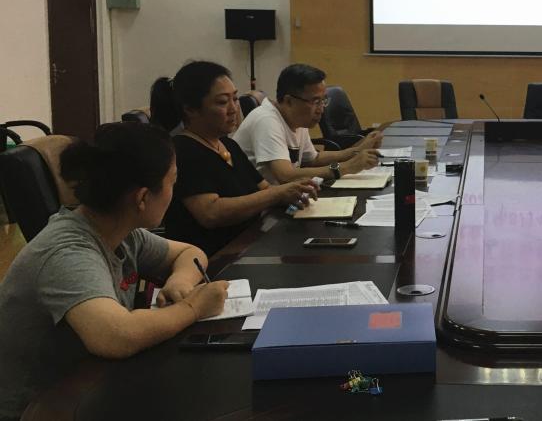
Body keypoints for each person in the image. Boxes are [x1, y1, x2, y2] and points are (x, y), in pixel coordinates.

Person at [0, 122, 228, 419]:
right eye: (172, 182)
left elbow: (190, 253)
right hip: (39, 410)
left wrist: (180, 282)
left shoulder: (121, 231)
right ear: (142, 198)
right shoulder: (68, 251)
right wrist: (193, 307)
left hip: (88, 385)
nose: (174, 192)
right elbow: (116, 336)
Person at [150, 61, 318, 256]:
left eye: (235, 99)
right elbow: (211, 213)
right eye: (222, 102)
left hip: (251, 244)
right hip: (214, 258)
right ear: (191, 109)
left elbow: (264, 189)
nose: (234, 109)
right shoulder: (183, 150)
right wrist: (277, 194)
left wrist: (293, 192)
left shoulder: (228, 145)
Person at [232, 63, 382, 185]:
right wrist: (345, 167)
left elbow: (313, 159)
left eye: (323, 101)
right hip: (261, 208)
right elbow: (285, 175)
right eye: (316, 101)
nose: (321, 109)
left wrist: (356, 150)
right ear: (289, 101)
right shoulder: (266, 120)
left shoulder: (296, 118)